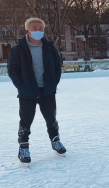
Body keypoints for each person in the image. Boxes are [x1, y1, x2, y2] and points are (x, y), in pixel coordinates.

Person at [7, 17, 66, 164]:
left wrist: (53, 83)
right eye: (34, 28)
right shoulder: (18, 49)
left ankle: (55, 139)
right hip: (28, 91)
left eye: (41, 28)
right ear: (27, 30)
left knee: (51, 118)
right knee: (26, 120)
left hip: (47, 90)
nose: (38, 30)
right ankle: (23, 146)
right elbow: (12, 70)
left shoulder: (49, 47)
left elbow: (57, 66)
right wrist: (22, 86)